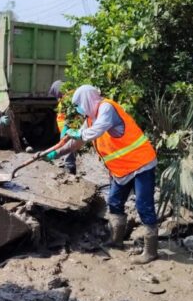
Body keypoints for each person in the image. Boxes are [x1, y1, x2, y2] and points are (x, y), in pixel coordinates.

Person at [47, 85, 159, 264]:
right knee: (114, 202)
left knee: (143, 205)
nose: (78, 109)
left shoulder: (106, 108)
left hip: (141, 163)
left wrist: (78, 133)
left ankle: (151, 251)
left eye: (79, 105)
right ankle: (116, 240)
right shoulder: (90, 119)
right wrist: (55, 153)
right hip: (121, 169)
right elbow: (76, 142)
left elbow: (97, 131)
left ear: (87, 99)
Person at [49, 80, 77, 174]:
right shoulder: (65, 98)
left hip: (69, 128)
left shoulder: (68, 98)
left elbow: (70, 115)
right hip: (66, 129)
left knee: (68, 147)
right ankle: (67, 164)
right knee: (68, 147)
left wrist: (66, 127)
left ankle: (69, 168)